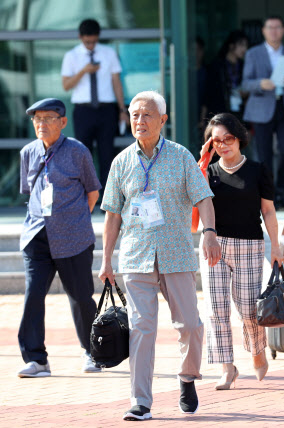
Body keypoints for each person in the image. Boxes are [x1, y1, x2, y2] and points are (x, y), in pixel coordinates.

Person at [98, 91, 221, 421]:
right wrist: (106, 259)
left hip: (177, 253)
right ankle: (141, 401)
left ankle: (186, 377)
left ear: (163, 120)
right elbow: (112, 214)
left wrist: (209, 233)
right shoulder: (121, 161)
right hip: (136, 256)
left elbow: (204, 198)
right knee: (141, 328)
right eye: (135, 114)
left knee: (191, 326)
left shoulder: (181, 157)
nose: (140, 120)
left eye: (147, 114)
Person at [197, 113, 284, 390]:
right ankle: (227, 368)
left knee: (248, 309)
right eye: (217, 141)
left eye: (229, 139)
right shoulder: (207, 172)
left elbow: (268, 211)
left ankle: (257, 350)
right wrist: (202, 163)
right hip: (214, 245)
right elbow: (194, 210)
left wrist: (276, 247)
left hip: (249, 245)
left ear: (239, 138)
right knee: (216, 310)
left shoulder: (258, 170)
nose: (224, 145)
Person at [17, 98, 102, 378]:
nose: (41, 124)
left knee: (80, 296)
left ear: (63, 122)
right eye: (37, 119)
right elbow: (29, 193)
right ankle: (36, 359)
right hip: (37, 236)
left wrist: (74, 221)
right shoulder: (28, 152)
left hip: (73, 237)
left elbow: (92, 191)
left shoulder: (77, 151)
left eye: (48, 118)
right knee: (33, 295)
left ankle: (92, 352)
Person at [61, 18, 129, 190]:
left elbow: (116, 82)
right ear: (80, 37)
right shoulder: (72, 56)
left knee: (108, 154)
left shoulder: (108, 53)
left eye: (94, 41)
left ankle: (107, 199)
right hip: (83, 110)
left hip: (106, 110)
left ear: (98, 37)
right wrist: (84, 70)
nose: (91, 45)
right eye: (87, 42)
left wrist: (122, 109)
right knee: (83, 155)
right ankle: (86, 197)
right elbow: (66, 85)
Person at [242, 15, 284, 207]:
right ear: (264, 31)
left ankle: (282, 188)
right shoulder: (253, 53)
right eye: (270, 27)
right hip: (262, 108)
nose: (274, 31)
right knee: (264, 155)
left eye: (277, 27)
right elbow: (245, 83)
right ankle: (269, 194)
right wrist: (260, 83)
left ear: (283, 30)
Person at [202, 30, 249, 123]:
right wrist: (203, 117)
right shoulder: (216, 66)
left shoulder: (244, 66)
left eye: (246, 45)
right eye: (241, 45)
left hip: (240, 112)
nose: (244, 49)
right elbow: (208, 93)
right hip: (220, 112)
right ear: (231, 45)